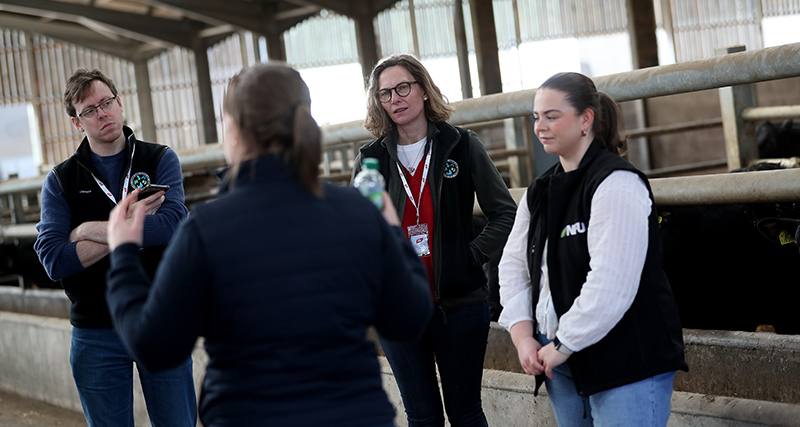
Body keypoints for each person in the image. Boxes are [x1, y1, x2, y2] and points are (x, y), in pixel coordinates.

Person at [103, 62, 434, 427]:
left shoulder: (206, 230)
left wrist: (124, 256)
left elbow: (155, 347)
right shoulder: (357, 212)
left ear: (234, 130)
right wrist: (391, 229)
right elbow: (409, 320)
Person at [498, 72, 688, 426]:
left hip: (623, 357)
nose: (540, 127)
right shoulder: (539, 192)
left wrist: (564, 344)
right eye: (536, 117)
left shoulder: (617, 183)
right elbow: (513, 267)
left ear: (586, 119)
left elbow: (611, 282)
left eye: (552, 116)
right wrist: (523, 337)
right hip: (556, 357)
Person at [352, 53, 517, 427]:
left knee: (465, 413)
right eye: (385, 93)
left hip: (459, 304)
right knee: (422, 417)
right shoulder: (371, 160)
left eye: (403, 88)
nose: (395, 99)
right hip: (398, 309)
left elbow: (505, 213)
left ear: (424, 90)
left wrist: (471, 256)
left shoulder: (461, 145)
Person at [34, 69, 196, 427]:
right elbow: (54, 260)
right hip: (95, 330)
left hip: (161, 318)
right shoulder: (61, 180)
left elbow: (172, 225)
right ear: (77, 123)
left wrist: (84, 231)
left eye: (106, 102)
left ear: (120, 103)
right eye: (89, 110)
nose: (102, 113)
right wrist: (131, 223)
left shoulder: (159, 159)